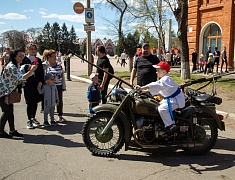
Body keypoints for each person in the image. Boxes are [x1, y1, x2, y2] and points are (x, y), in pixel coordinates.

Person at [136, 61, 185, 132]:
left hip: (176, 99)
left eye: (158, 70)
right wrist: (144, 91)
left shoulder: (166, 79)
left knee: (162, 109)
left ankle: (170, 125)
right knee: (156, 105)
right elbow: (159, 89)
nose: (156, 72)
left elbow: (155, 85)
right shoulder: (164, 79)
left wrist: (141, 88)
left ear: (164, 71)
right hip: (171, 98)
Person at [0, 49, 37, 138]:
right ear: (14, 57)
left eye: (22, 56)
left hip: (8, 91)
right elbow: (21, 78)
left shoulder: (16, 65)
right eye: (20, 56)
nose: (22, 58)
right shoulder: (12, 67)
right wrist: (32, 71)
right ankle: (0, 131)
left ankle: (12, 130)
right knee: (6, 112)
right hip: (3, 92)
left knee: (10, 111)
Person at [21, 43, 44, 129]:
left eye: (34, 49)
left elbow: (41, 72)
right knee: (29, 102)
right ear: (27, 50)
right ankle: (29, 120)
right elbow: (22, 72)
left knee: (35, 102)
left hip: (37, 84)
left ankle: (33, 117)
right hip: (28, 84)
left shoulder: (38, 60)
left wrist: (41, 81)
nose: (33, 50)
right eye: (31, 49)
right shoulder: (24, 60)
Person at [43, 49, 67, 122]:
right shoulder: (45, 65)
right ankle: (50, 118)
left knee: (59, 101)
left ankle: (60, 115)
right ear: (48, 57)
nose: (55, 58)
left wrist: (63, 85)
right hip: (49, 87)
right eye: (53, 56)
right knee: (50, 102)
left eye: (55, 56)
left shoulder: (59, 65)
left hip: (58, 85)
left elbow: (62, 75)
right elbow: (44, 76)